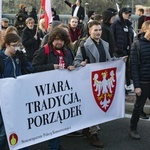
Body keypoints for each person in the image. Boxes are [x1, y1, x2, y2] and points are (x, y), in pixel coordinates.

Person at [32, 27, 74, 150]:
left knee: (59, 120)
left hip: (62, 91)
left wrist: (73, 67)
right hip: (47, 91)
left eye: (61, 40)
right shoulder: (43, 51)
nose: (59, 43)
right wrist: (51, 67)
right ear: (51, 40)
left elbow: (69, 64)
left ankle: (56, 143)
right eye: (56, 40)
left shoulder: (67, 51)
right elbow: (33, 68)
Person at [74, 20, 114, 148]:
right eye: (95, 30)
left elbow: (109, 60)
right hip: (89, 82)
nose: (98, 32)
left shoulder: (105, 44)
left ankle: (87, 129)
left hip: (101, 81)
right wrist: (81, 64)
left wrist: (119, 61)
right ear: (90, 31)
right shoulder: (84, 46)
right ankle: (93, 134)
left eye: (100, 30)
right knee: (92, 107)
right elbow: (76, 62)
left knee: (96, 106)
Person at [0, 33, 32, 150]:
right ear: (7, 45)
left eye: (18, 45)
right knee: (4, 130)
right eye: (14, 45)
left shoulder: (18, 56)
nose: (16, 48)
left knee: (20, 126)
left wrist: (23, 57)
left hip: (18, 97)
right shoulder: (1, 59)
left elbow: (30, 69)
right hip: (4, 100)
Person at [129, 20, 150, 140]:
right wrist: (136, 85)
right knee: (138, 107)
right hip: (143, 82)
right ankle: (133, 129)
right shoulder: (136, 44)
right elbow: (134, 67)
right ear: (144, 30)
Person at [111, 7, 134, 94]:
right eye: (126, 13)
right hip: (119, 51)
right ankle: (120, 87)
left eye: (129, 14)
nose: (128, 15)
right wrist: (116, 48)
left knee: (127, 69)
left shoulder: (128, 24)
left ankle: (128, 85)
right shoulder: (116, 23)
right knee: (120, 69)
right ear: (121, 13)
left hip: (127, 50)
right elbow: (113, 37)